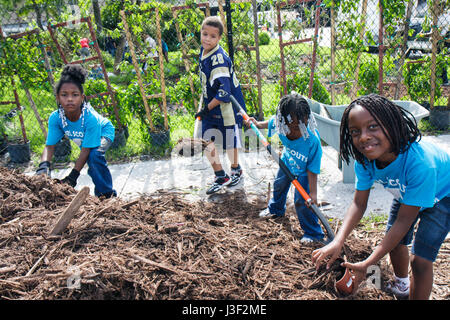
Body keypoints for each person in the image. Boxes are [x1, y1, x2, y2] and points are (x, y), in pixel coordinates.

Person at [311, 94, 450, 299]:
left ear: (393, 125)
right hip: (406, 194)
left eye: (373, 127)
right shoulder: (365, 160)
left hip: (443, 196)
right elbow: (359, 204)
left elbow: (404, 220)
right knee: (395, 243)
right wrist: (338, 240)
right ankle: (402, 285)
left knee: (420, 261)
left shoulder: (420, 164)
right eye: (355, 132)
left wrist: (368, 264)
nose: (364, 137)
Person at [246, 93, 324, 243]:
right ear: (283, 123)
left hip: (305, 172)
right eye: (294, 127)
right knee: (279, 185)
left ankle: (313, 233)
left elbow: (313, 170)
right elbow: (269, 123)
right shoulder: (279, 124)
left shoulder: (312, 141)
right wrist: (256, 124)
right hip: (287, 161)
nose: (300, 130)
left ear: (308, 120)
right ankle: (276, 209)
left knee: (302, 201)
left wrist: (313, 193)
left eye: (303, 125)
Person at [36, 64, 117, 199]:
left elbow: (85, 150)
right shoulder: (56, 118)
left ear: (82, 97)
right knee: (91, 155)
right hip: (86, 138)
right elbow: (49, 146)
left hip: (104, 132)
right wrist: (43, 167)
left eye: (75, 95)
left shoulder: (91, 119)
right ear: (57, 97)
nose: (69, 99)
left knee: (94, 156)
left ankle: (107, 195)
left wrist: (73, 176)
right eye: (64, 95)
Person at [195, 16, 247, 195]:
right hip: (212, 104)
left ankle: (235, 170)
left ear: (219, 39)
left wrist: (206, 109)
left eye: (212, 36)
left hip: (227, 107)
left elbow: (224, 93)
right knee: (206, 140)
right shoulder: (203, 51)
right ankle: (220, 176)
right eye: (205, 34)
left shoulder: (218, 59)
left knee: (229, 142)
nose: (207, 39)